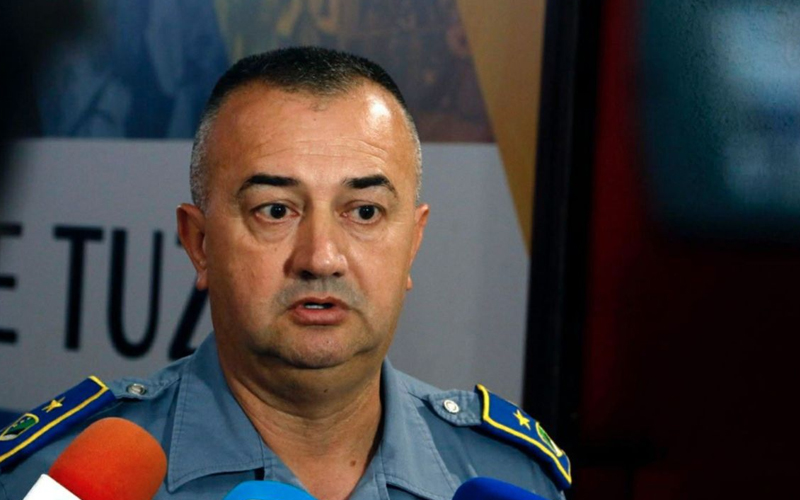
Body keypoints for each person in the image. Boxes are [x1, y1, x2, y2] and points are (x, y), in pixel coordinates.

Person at [0, 47, 569, 500]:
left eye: (364, 212)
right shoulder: (56, 480)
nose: (321, 257)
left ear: (413, 242)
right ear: (199, 243)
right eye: (275, 211)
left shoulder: (511, 476)